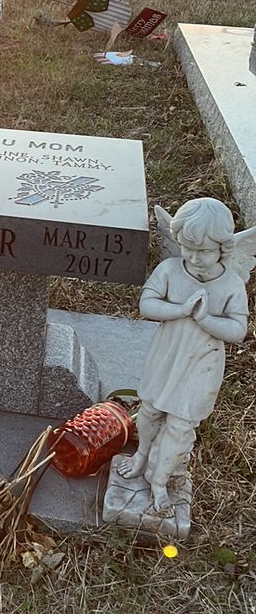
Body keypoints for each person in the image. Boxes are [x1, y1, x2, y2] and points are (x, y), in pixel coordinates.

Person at [118, 199, 249, 512]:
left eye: (203, 251)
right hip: (167, 355)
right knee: (149, 411)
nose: (193, 258)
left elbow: (238, 329)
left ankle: (160, 479)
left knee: (181, 424)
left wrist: (205, 319)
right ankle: (142, 455)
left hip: (201, 364)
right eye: (187, 249)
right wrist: (180, 310)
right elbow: (146, 304)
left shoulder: (231, 284)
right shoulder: (170, 270)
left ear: (223, 248)